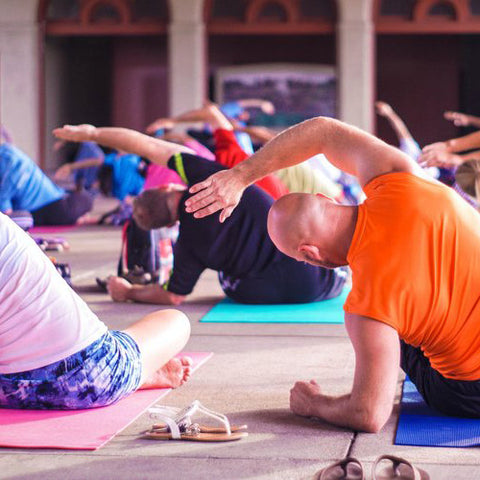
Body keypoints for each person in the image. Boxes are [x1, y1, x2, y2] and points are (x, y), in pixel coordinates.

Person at [184, 116, 480, 431]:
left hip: (468, 392)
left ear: (309, 252)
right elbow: (324, 131)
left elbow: (368, 415)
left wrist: (313, 403)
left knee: (394, 335)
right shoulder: (400, 176)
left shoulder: (366, 308)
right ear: (326, 199)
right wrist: (241, 176)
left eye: (300, 259)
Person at [53, 123, 347, 306]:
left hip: (270, 293)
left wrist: (129, 291)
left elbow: (172, 296)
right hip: (322, 278)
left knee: (227, 280)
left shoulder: (188, 247)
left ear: (167, 225)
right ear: (169, 185)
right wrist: (93, 133)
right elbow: (149, 145)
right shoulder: (205, 177)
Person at [0, 211, 191, 410]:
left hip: (8, 391)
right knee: (177, 321)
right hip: (89, 380)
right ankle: (139, 371)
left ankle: (137, 370)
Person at [0, 141, 93, 225]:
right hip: (46, 208)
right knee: (86, 198)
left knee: (82, 197)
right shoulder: (10, 154)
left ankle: (77, 216)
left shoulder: (10, 159)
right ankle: (77, 217)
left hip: (49, 205)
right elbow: (6, 213)